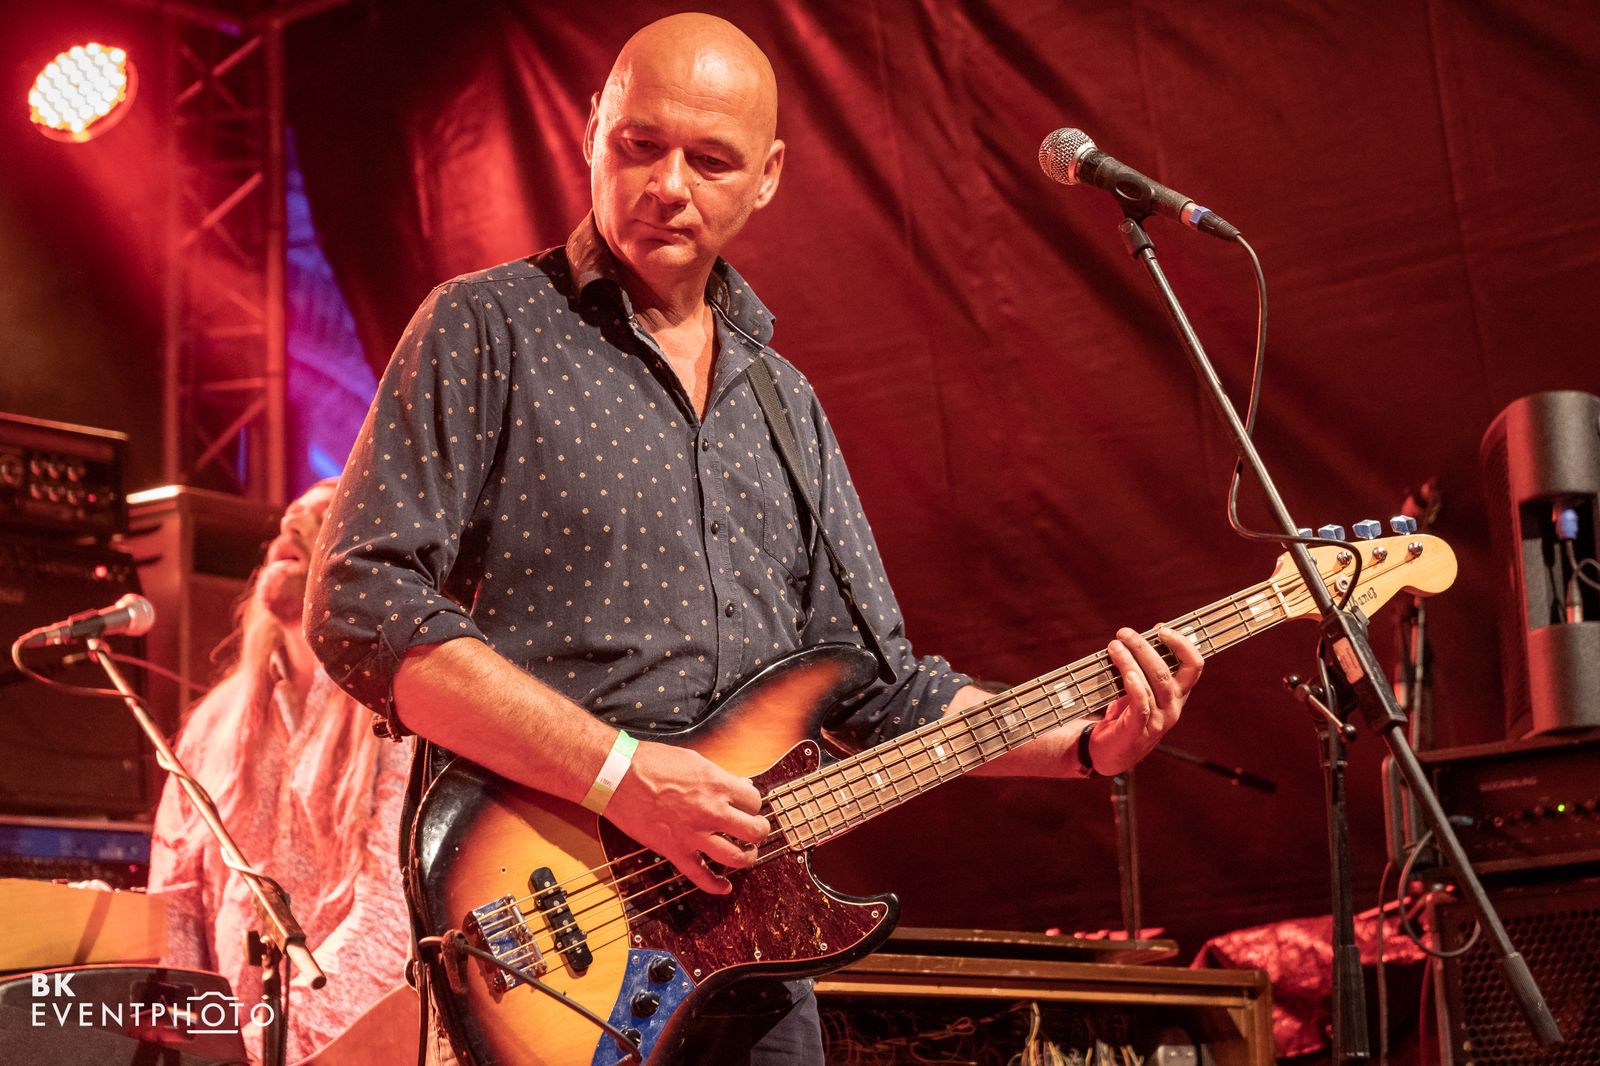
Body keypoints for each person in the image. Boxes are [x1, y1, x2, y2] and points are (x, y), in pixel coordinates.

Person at [305, 13, 1203, 1063]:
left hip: (756, 954)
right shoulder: (485, 327)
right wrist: (623, 775)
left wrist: (1084, 745)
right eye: (639, 145)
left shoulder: (784, 403)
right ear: (591, 132)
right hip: (553, 941)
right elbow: (361, 603)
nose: (667, 185)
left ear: (768, 176)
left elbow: (880, 692)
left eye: (711, 160)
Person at [148, 479, 413, 1063]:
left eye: (325, 514)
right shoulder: (213, 724)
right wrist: (191, 1046)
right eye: (288, 518)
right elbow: (175, 905)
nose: (291, 521)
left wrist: (262, 1046)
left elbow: (391, 915)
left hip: (357, 1049)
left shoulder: (398, 715)